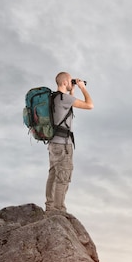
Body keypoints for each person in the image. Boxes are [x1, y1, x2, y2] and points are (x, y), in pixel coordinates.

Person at [45, 71, 93, 214]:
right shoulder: (63, 98)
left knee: (53, 175)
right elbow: (90, 105)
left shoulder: (53, 98)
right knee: (63, 176)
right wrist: (82, 88)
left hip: (53, 143)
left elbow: (66, 109)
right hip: (63, 144)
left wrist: (72, 90)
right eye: (70, 81)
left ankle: (49, 206)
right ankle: (59, 210)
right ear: (65, 82)